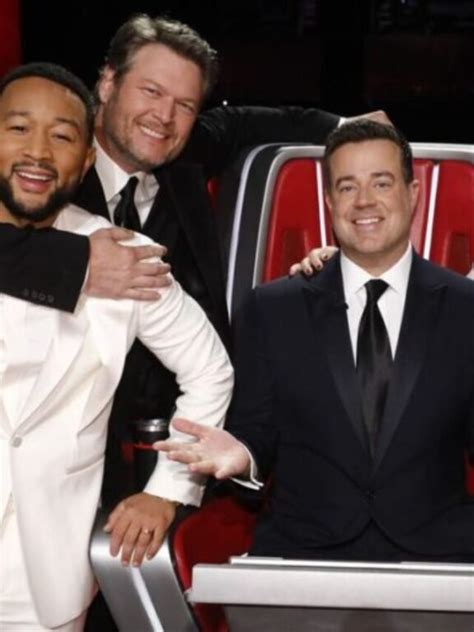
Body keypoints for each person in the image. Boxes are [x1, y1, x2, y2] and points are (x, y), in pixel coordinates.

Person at [0, 13, 390, 538]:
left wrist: (355, 132)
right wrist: (80, 262)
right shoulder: (46, 172)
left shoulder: (185, 151)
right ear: (107, 84)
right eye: (151, 91)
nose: (164, 116)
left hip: (190, 436)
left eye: (185, 104)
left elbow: (259, 122)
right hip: (67, 458)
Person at [156, 120, 474, 563]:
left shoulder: (465, 308)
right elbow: (256, 432)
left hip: (439, 558)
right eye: (347, 187)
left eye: (381, 183)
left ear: (412, 193)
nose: (364, 200)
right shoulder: (271, 310)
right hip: (303, 554)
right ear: (329, 201)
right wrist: (244, 456)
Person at [0, 62, 233, 631]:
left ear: (85, 160)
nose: (38, 152)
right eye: (18, 128)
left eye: (62, 136)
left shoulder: (126, 255)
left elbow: (210, 370)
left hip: (44, 571)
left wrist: (169, 490)